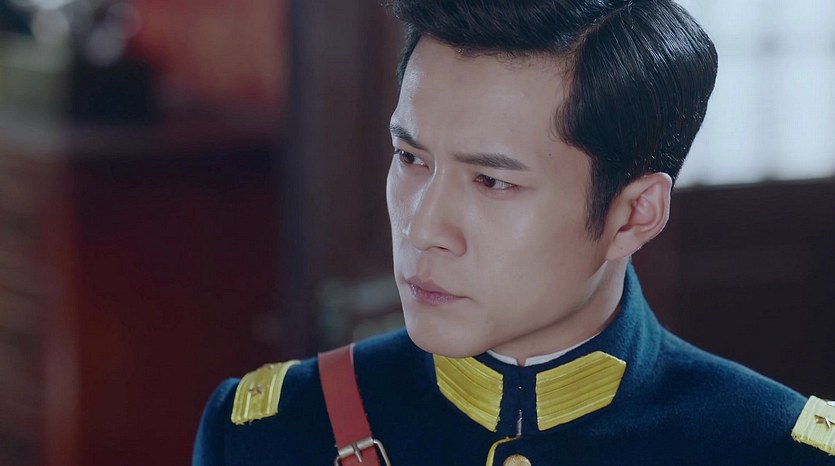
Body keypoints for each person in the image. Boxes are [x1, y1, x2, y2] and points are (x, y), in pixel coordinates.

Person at [193, 1, 835, 464]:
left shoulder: (769, 448)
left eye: (492, 182)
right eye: (411, 158)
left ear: (634, 214)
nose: (423, 227)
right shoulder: (271, 434)